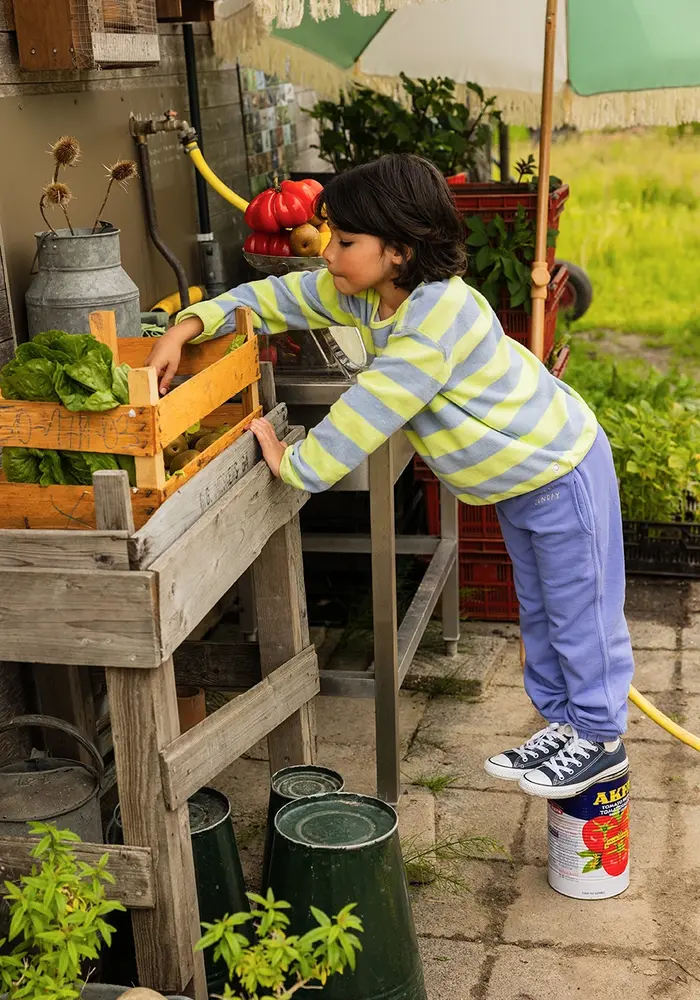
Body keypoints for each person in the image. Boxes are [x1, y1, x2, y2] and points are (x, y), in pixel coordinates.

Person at [146, 153, 633, 800]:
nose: (326, 252)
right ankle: (565, 723)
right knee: (540, 614)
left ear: (399, 251)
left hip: (562, 473)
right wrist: (191, 322)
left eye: (345, 241)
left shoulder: (436, 318)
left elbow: (370, 408)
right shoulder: (377, 297)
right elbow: (277, 295)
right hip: (518, 484)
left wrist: (298, 465)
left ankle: (599, 740)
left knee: (581, 614)